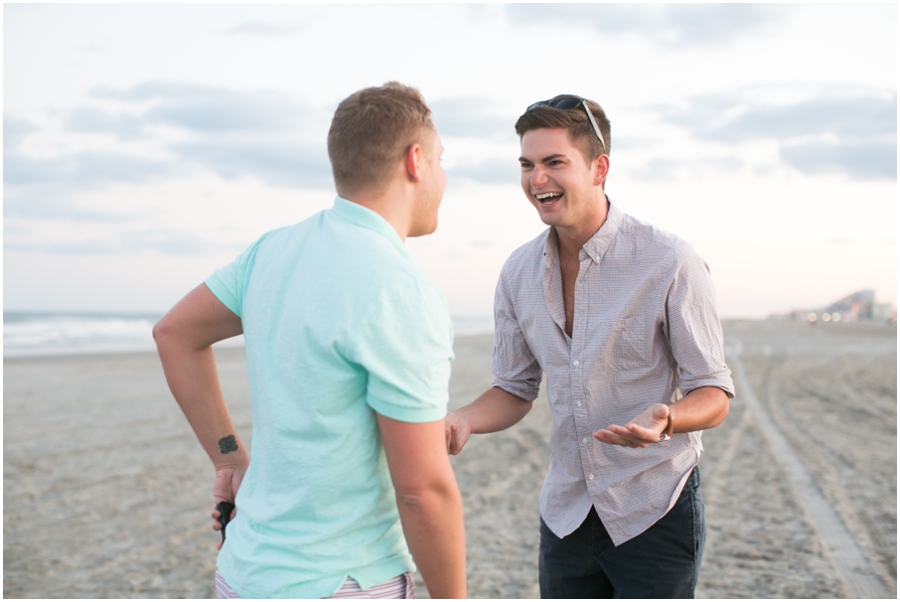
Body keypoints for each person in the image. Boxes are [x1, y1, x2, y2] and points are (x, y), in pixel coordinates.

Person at [154, 82, 466, 599]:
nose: (442, 176)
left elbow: (174, 333)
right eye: (440, 160)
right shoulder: (400, 288)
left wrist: (228, 458)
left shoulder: (274, 250)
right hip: (342, 580)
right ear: (415, 161)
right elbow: (422, 491)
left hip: (242, 575)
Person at [445, 94, 734, 598]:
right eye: (527, 165)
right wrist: (463, 418)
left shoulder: (670, 261)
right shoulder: (517, 272)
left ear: (599, 168)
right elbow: (514, 388)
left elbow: (713, 393)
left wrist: (667, 418)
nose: (537, 180)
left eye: (555, 163)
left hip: (654, 505)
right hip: (566, 512)